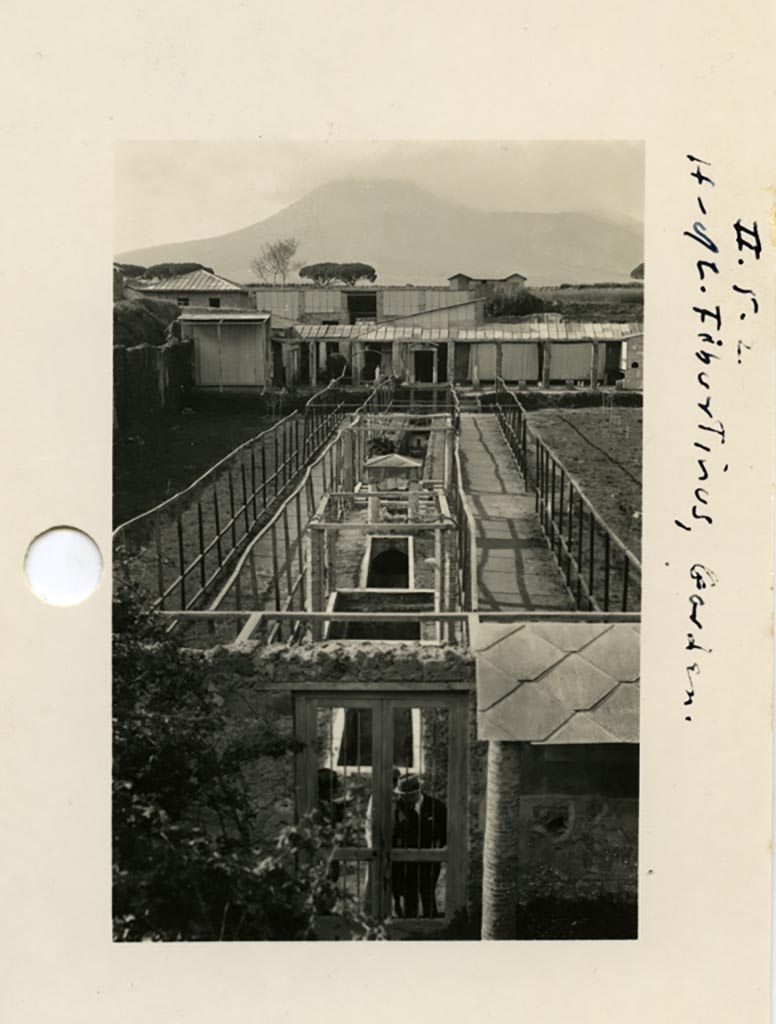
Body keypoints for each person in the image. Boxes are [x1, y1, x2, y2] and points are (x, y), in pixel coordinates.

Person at [391, 774, 447, 918]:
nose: (403, 798)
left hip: (430, 861)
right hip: (407, 861)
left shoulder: (437, 807)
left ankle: (432, 925)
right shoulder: (397, 808)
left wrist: (442, 849)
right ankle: (410, 928)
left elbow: (446, 832)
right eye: (401, 795)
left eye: (406, 795)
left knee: (428, 893)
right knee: (410, 896)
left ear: (416, 793)